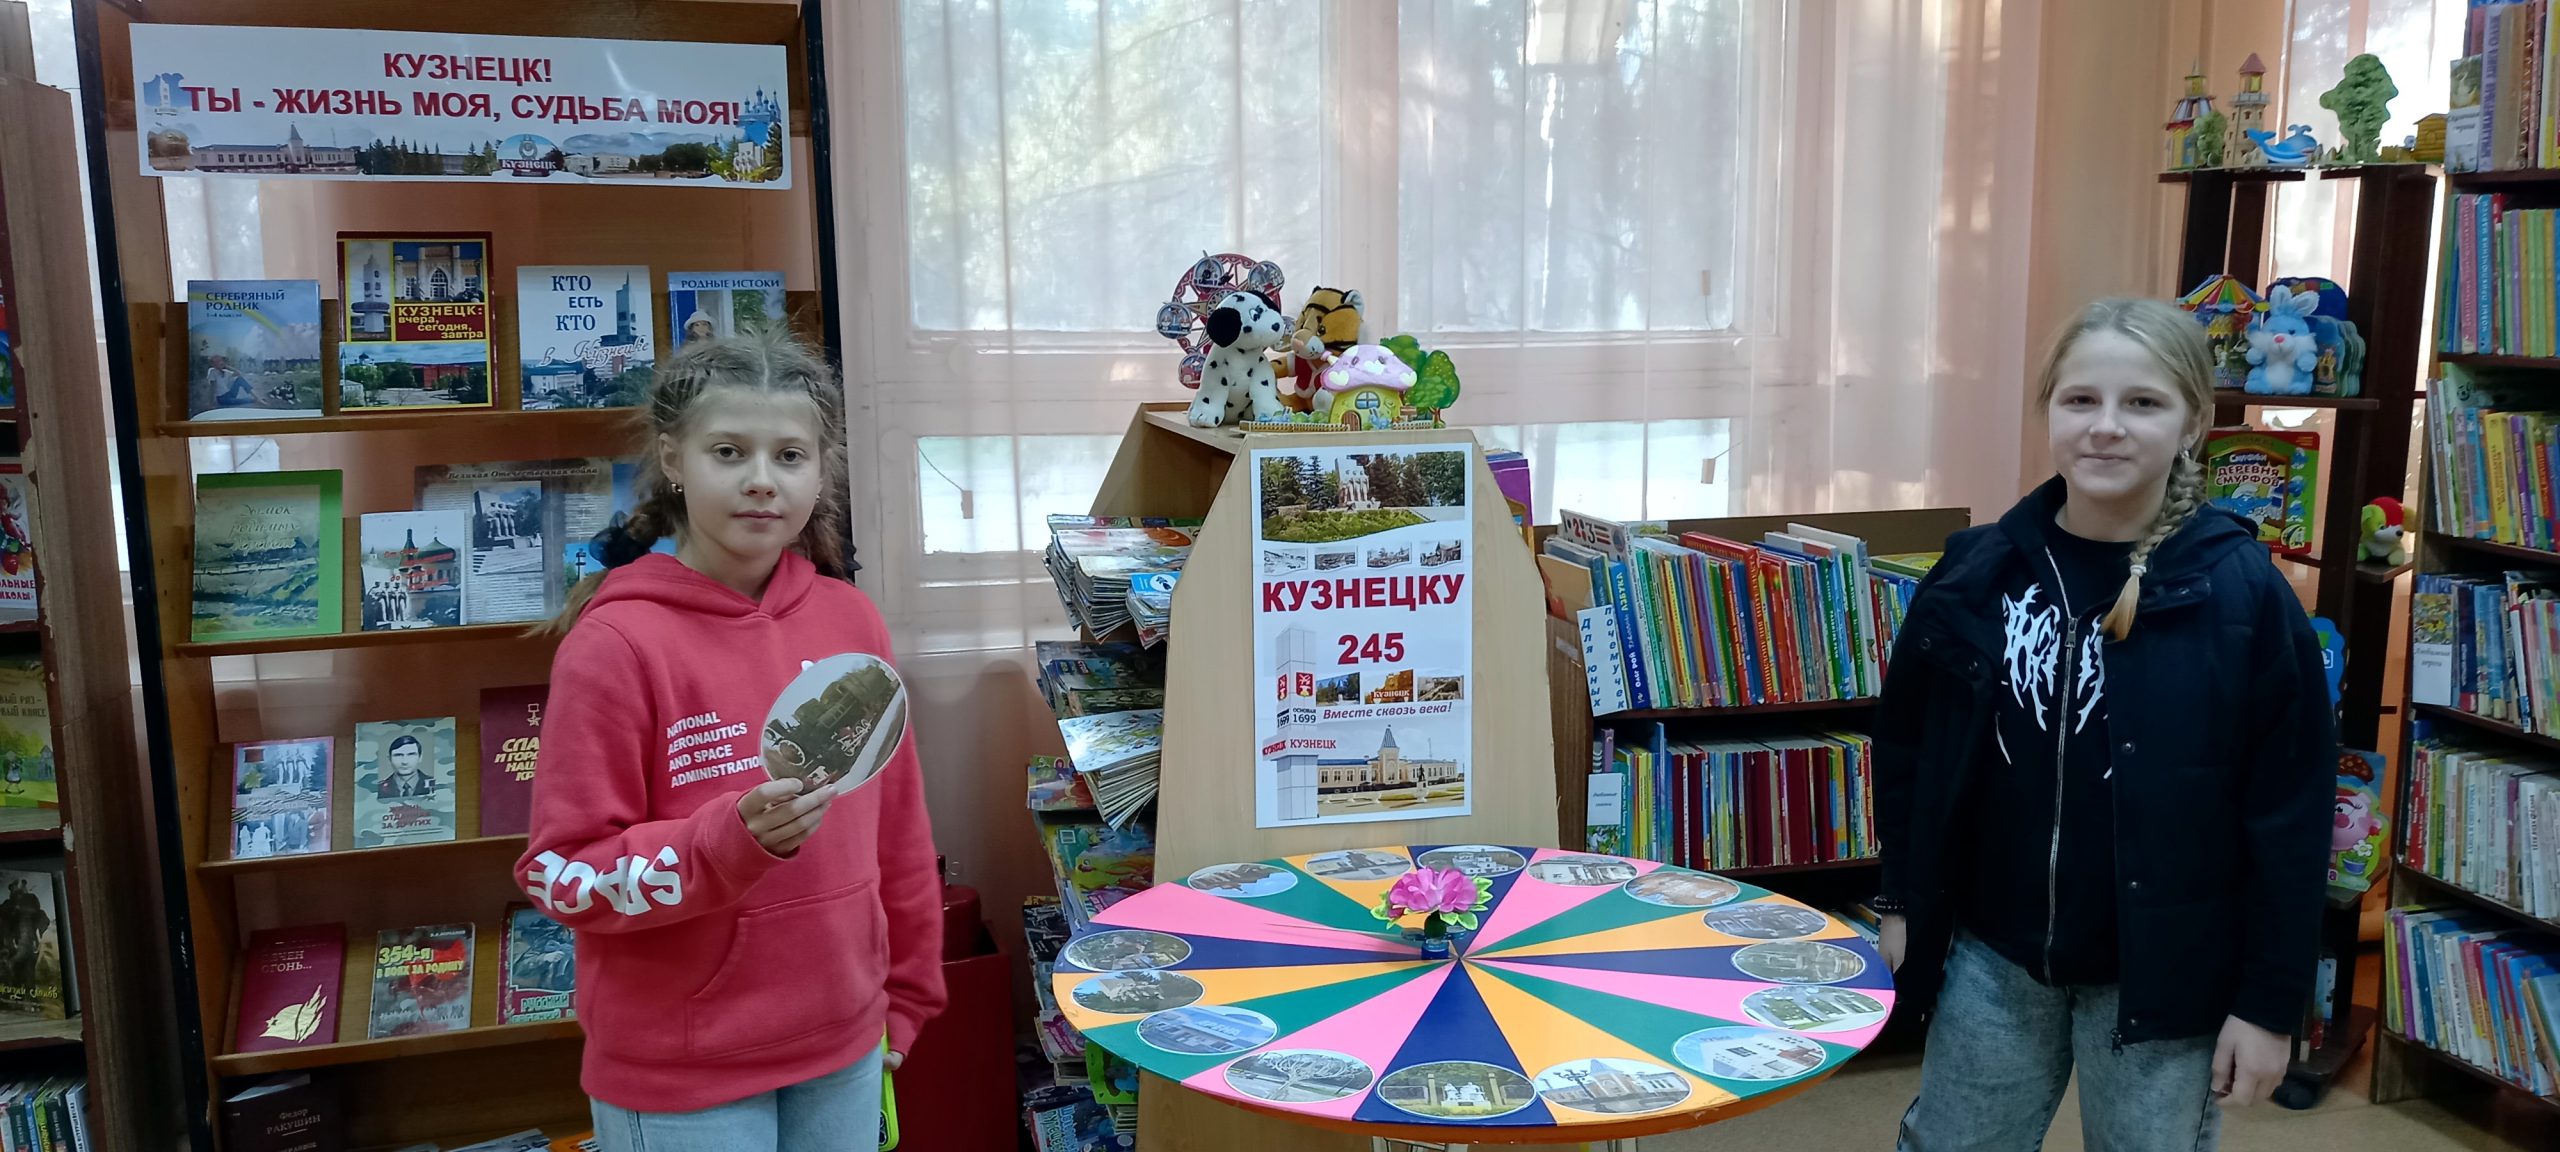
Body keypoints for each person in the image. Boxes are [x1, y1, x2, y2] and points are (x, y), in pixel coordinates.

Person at [1873, 297, 2333, 1151]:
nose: (2106, 427)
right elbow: (1909, 752)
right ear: (2049, 408)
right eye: (2080, 399)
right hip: (1993, 957)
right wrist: (1901, 898)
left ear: (2193, 422)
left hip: (2163, 975)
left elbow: (2290, 818)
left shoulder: (2243, 596)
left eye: (2143, 403)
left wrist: (2269, 1005)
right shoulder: (1978, 571)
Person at [518, 327, 942, 1152]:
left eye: (790, 456)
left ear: (821, 471)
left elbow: (898, 828)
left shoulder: (851, 621)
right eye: (728, 452)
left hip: (846, 1044)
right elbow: (562, 875)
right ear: (673, 458)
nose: (761, 480)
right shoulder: (616, 644)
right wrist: (723, 844)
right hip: (682, 1072)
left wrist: (907, 993)